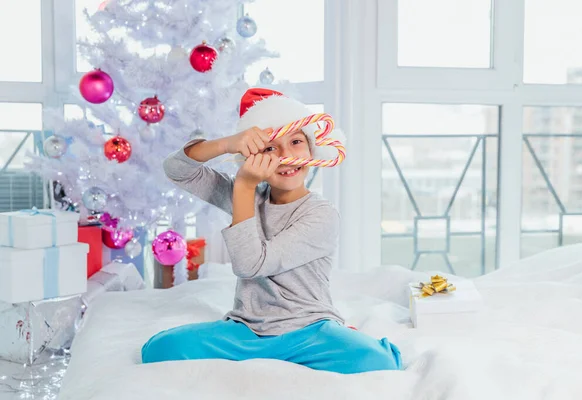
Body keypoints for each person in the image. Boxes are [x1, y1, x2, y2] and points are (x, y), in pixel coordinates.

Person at [141, 88, 402, 374]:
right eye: (270, 148)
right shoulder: (248, 193)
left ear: (313, 149)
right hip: (246, 331)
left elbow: (251, 265)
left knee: (380, 362)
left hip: (309, 330)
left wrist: (243, 186)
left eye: (296, 141)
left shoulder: (322, 214)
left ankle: (344, 335)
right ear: (252, 157)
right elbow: (177, 169)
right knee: (158, 349)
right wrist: (229, 144)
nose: (287, 156)